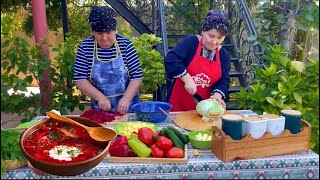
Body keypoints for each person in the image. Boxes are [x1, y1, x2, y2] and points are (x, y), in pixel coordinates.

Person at [73, 6, 143, 114]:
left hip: (128, 109)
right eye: (99, 33)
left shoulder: (126, 45)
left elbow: (137, 76)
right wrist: (100, 97)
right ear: (93, 31)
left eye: (109, 32)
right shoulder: (85, 47)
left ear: (115, 29)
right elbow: (79, 79)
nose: (104, 38)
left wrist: (126, 99)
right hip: (99, 111)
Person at [164, 9, 231, 112]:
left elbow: (224, 80)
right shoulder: (191, 42)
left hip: (204, 110)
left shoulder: (224, 55)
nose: (214, 42)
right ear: (203, 31)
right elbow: (171, 59)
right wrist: (187, 78)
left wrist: (217, 95)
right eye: (211, 36)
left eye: (220, 38)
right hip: (177, 106)